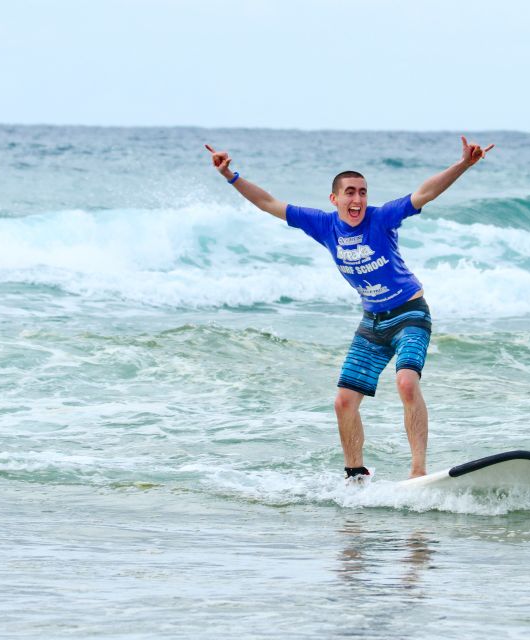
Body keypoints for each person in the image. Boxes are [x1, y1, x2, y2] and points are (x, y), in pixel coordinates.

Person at [205, 137, 494, 479]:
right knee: (343, 401)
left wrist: (463, 165)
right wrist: (229, 175)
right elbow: (268, 202)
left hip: (409, 314)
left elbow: (425, 194)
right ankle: (355, 476)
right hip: (372, 322)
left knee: (405, 383)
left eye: (362, 192)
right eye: (350, 192)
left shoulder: (382, 218)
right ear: (335, 198)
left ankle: (418, 471)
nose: (357, 199)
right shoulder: (324, 224)